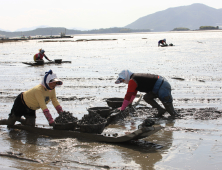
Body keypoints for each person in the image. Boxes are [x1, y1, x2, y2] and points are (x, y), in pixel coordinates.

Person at [115, 69, 179, 118]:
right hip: (156, 87)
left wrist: (122, 108)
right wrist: (129, 103)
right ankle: (160, 110)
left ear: (126, 76)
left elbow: (128, 95)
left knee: (167, 104)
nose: (123, 82)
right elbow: (132, 95)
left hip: (162, 85)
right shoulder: (134, 79)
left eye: (123, 80)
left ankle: (174, 116)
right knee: (147, 97)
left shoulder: (132, 80)